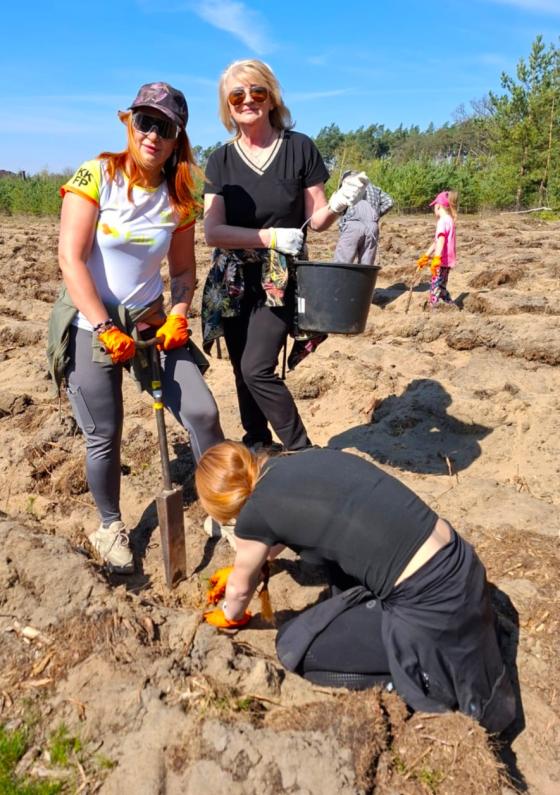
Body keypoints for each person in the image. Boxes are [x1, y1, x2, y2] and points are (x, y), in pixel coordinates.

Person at [195, 441, 516, 734]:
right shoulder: (301, 461)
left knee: (295, 646)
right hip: (462, 565)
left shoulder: (254, 514)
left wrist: (229, 612)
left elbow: (239, 594)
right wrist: (243, 566)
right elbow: (277, 535)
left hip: (429, 606)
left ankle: (419, 681)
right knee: (337, 573)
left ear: (227, 508)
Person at [47, 82, 224, 573]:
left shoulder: (180, 196)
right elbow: (70, 259)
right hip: (91, 321)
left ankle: (221, 508)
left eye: (165, 128)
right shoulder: (97, 175)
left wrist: (179, 312)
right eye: (145, 122)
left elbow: (183, 271)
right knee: (104, 434)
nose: (153, 135)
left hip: (150, 319)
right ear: (129, 121)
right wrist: (105, 325)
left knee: (203, 412)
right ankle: (110, 526)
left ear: (178, 137)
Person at [202, 58, 367, 454]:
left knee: (257, 368)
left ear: (271, 97)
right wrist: (270, 236)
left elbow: (317, 219)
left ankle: (302, 450)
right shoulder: (220, 160)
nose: (248, 100)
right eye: (237, 95)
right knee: (242, 370)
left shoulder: (299, 148)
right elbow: (213, 232)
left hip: (279, 278)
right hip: (232, 278)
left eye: (257, 91)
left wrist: (340, 203)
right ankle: (258, 444)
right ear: (227, 106)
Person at [333, 172, 393, 265]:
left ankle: (341, 275)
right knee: (366, 265)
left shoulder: (348, 187)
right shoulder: (375, 189)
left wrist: (342, 228)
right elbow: (389, 202)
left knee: (342, 263)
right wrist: (376, 214)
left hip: (352, 225)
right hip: (372, 227)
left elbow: (340, 209)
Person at [416, 190, 458, 306]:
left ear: (438, 206)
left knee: (435, 287)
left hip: (440, 261)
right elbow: (436, 242)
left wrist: (436, 258)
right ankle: (449, 304)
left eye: (434, 206)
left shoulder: (442, 221)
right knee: (442, 286)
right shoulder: (450, 220)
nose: (434, 209)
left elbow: (441, 240)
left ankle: (433, 306)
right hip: (447, 261)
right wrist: (426, 256)